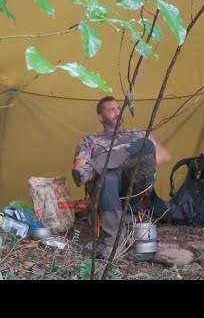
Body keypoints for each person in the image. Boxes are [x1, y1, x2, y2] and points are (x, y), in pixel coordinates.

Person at [72, 96, 171, 258]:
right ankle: (114, 245)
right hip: (107, 190)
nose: (117, 112)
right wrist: (116, 163)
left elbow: (163, 157)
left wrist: (127, 156)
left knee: (146, 145)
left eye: (119, 108)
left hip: (136, 185)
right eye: (111, 110)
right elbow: (78, 169)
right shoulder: (90, 139)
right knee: (109, 175)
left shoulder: (138, 134)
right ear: (100, 116)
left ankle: (98, 165)